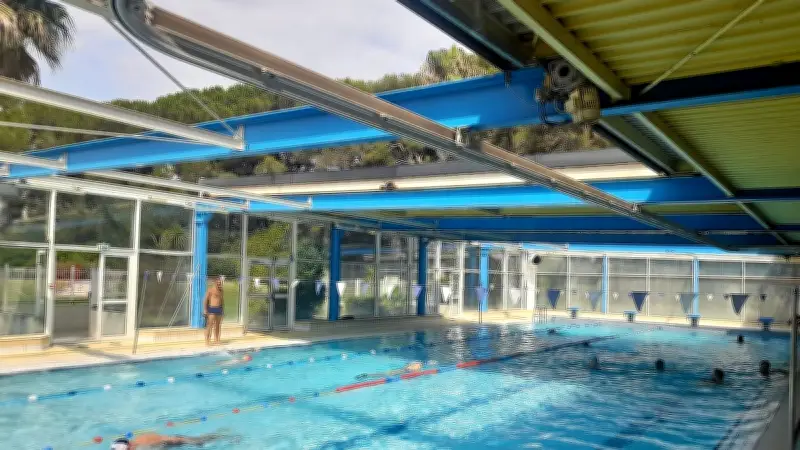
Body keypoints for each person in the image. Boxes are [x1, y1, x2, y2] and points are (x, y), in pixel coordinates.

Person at [110, 430, 236, 449]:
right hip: (175, 438)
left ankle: (228, 436)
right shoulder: (140, 438)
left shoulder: (144, 447)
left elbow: (162, 443)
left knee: (202, 442)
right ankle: (222, 433)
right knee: (202, 439)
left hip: (179, 441)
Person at [204, 277, 224, 346]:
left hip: (219, 309)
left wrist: (222, 310)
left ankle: (217, 340)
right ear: (215, 283)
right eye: (218, 283)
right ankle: (207, 341)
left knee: (218, 326)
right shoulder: (210, 290)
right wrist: (205, 310)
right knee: (209, 325)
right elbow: (205, 300)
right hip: (212, 309)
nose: (219, 284)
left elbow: (222, 301)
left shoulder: (221, 290)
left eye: (220, 283)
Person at [356, 361, 425, 380]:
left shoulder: (415, 363)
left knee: (381, 374)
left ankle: (367, 375)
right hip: (400, 372)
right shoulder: (418, 366)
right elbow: (409, 370)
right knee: (382, 375)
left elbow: (407, 366)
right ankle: (367, 376)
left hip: (399, 371)